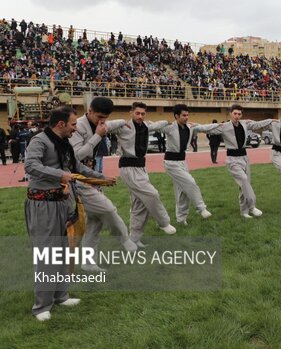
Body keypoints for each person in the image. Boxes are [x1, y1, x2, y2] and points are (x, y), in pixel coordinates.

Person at [25, 106, 115, 321]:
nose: (76, 128)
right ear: (61, 124)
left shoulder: (64, 143)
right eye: (73, 124)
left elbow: (78, 168)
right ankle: (41, 306)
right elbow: (30, 165)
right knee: (47, 254)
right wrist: (60, 175)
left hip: (63, 203)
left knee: (65, 251)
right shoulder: (39, 141)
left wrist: (101, 177)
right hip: (43, 205)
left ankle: (61, 296)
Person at [69, 97, 136, 270]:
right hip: (78, 179)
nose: (102, 121)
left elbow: (111, 124)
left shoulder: (102, 122)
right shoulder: (78, 127)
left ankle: (88, 263)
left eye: (105, 117)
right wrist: (97, 137)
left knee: (95, 222)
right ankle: (124, 239)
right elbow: (77, 156)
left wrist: (123, 122)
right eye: (99, 117)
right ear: (89, 111)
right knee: (107, 209)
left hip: (92, 178)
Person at [112, 102, 175, 244]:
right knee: (152, 195)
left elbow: (157, 125)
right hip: (128, 167)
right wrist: (121, 121)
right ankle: (164, 222)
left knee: (139, 205)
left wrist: (166, 121)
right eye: (137, 113)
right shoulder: (123, 127)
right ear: (131, 113)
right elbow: (107, 126)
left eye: (143, 114)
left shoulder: (145, 126)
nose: (140, 116)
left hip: (142, 168)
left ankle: (134, 239)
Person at [208, 104, 273, 218]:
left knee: (244, 185)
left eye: (239, 114)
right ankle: (252, 206)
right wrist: (194, 126)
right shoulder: (224, 126)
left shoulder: (244, 123)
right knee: (243, 180)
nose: (237, 116)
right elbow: (208, 129)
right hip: (232, 159)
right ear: (230, 114)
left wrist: (270, 120)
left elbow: (257, 124)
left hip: (244, 158)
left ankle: (244, 212)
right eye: (235, 114)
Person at [163, 104, 220, 225]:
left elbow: (205, 128)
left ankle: (181, 219)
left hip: (182, 162)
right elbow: (153, 128)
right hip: (171, 163)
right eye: (184, 115)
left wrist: (219, 125)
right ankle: (201, 208)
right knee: (190, 182)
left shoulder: (190, 127)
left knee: (182, 191)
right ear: (176, 116)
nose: (186, 117)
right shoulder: (169, 127)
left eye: (187, 115)